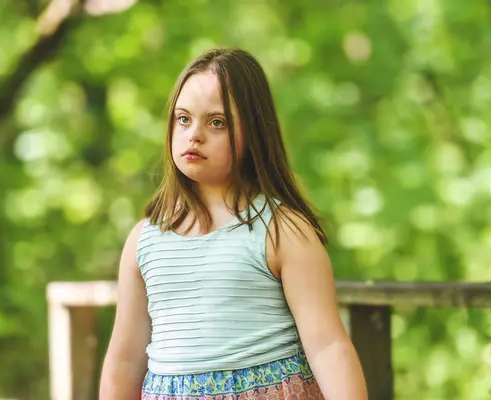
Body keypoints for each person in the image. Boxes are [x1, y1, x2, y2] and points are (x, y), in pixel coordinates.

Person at [99, 47, 367, 399]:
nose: (194, 134)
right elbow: (123, 361)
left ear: (253, 132)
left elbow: (328, 346)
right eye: (183, 119)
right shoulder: (145, 240)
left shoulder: (282, 230)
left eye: (217, 122)